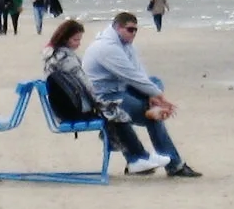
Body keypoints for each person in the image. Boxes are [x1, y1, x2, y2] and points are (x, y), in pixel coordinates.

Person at [83, 11, 203, 177]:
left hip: (120, 89)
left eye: (135, 30)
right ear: (117, 28)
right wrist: (159, 97)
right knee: (152, 117)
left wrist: (152, 95)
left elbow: (140, 73)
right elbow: (130, 76)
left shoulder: (125, 44)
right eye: (130, 29)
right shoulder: (106, 47)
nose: (133, 33)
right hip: (104, 98)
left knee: (154, 82)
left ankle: (154, 156)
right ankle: (173, 165)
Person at [43, 19, 167, 174]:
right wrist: (100, 103)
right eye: (76, 40)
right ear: (64, 38)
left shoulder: (55, 55)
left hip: (67, 106)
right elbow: (86, 85)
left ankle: (139, 157)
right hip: (73, 109)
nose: (78, 44)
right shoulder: (65, 59)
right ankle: (138, 158)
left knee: (116, 107)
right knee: (114, 111)